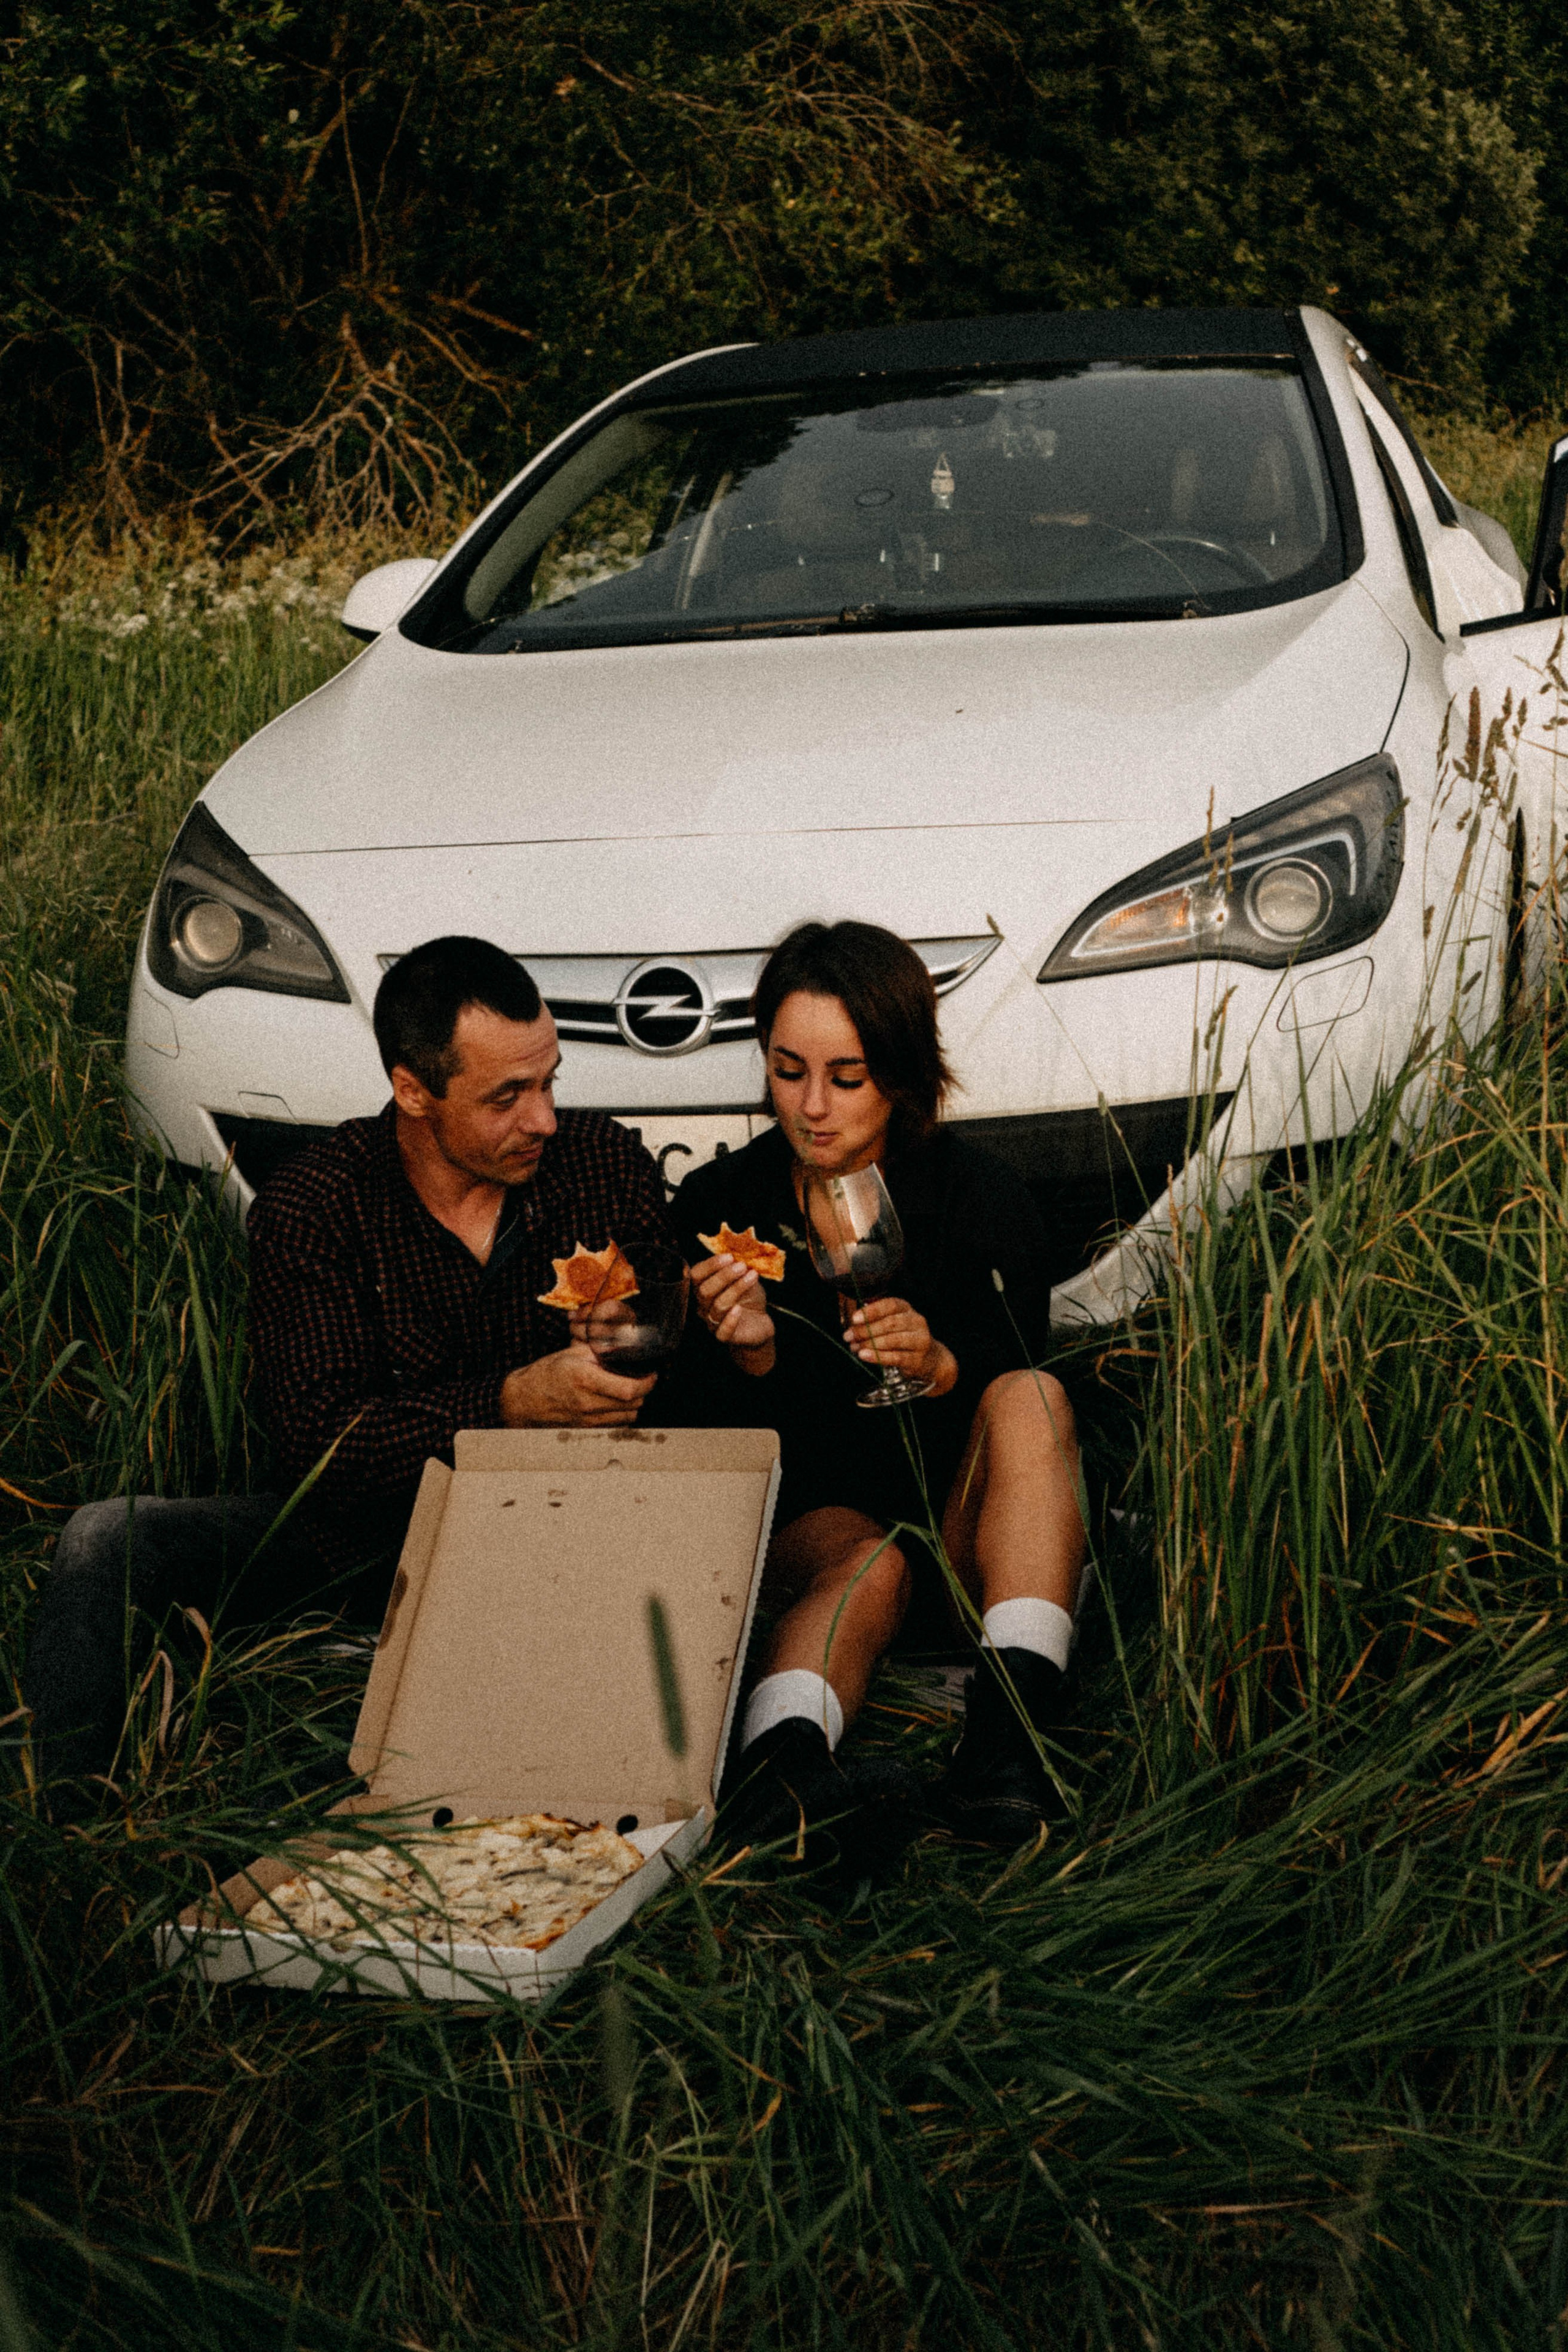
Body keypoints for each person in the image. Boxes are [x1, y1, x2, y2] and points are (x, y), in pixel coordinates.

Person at [23, 935, 679, 1790]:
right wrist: (510, 1402)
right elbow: (320, 1444)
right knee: (107, 1537)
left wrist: (655, 1333)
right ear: (413, 1091)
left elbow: (671, 1337)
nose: (544, 1120)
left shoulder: (600, 1163)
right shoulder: (316, 1206)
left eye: (550, 1082)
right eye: (507, 1097)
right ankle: (72, 1816)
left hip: (564, 1530)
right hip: (363, 1543)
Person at [674, 921, 1086, 1854]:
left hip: (971, 1531)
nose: (813, 1106)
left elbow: (1017, 1356)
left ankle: (1008, 1747)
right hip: (823, 1531)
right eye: (788, 1071)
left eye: (847, 1077)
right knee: (873, 1560)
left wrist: (943, 1366)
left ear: (901, 1075)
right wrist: (752, 1357)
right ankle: (783, 1773)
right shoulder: (720, 1207)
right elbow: (705, 1440)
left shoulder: (979, 1195)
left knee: (1033, 1397)